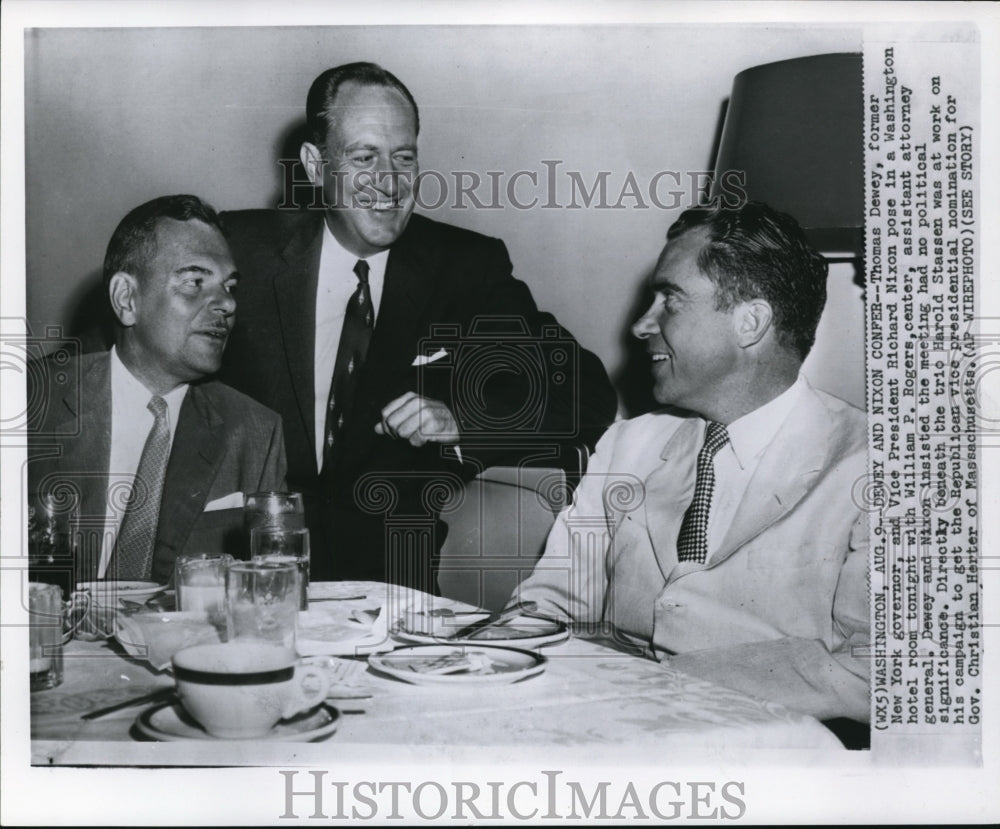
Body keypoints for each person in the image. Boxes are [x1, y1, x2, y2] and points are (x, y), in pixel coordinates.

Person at [220, 62, 617, 591]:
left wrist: (463, 419)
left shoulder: (463, 267)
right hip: (243, 575)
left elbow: (587, 391)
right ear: (316, 166)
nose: (389, 183)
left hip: (390, 589)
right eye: (364, 158)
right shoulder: (238, 249)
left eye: (403, 158)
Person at [510, 201, 870, 723]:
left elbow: (880, 671)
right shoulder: (627, 444)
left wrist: (656, 682)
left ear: (751, 322)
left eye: (670, 300)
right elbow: (551, 604)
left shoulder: (879, 466)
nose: (640, 324)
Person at [28, 195, 287, 586]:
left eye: (229, 286)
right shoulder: (30, 402)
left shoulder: (254, 432)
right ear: (126, 299)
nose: (226, 303)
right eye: (194, 282)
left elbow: (269, 593)